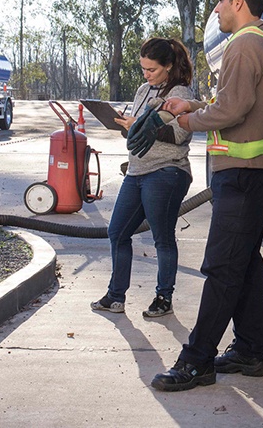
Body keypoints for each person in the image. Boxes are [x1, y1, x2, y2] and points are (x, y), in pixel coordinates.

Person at [151, 0, 263, 391]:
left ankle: (198, 360)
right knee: (244, 262)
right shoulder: (255, 43)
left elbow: (231, 111)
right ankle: (249, 350)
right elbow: (229, 102)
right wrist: (189, 102)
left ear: (240, 2)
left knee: (224, 265)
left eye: (221, 0)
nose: (217, 8)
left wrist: (187, 119)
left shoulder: (245, 45)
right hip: (252, 173)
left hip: (244, 175)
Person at [90, 38, 194, 318]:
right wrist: (127, 126)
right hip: (136, 171)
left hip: (166, 171)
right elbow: (138, 133)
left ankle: (163, 298)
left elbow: (181, 135)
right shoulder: (142, 91)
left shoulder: (180, 92)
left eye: (152, 70)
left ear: (169, 66)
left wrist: (143, 126)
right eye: (144, 69)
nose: (147, 75)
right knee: (118, 232)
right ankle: (115, 296)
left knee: (162, 237)